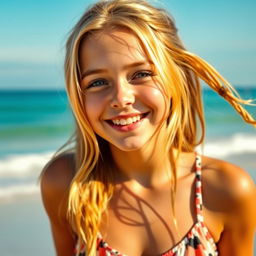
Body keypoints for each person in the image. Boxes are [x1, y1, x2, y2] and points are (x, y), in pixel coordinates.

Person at [40, 0, 256, 255]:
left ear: (177, 77)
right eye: (97, 81)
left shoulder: (225, 189)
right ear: (79, 96)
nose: (121, 98)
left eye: (141, 74)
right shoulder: (67, 184)